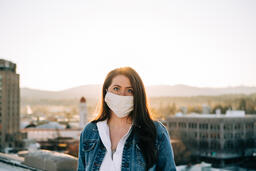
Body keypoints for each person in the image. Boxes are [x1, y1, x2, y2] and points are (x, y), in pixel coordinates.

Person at [77, 67, 176, 171]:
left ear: (138, 95)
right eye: (116, 88)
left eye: (130, 90)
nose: (122, 95)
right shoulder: (89, 131)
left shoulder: (156, 132)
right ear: (106, 91)